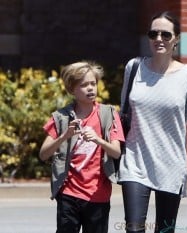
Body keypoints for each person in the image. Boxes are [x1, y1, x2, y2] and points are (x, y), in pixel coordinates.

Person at [118, 11, 187, 233]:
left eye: (166, 35)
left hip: (171, 164)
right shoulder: (134, 67)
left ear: (176, 39)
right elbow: (124, 112)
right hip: (135, 161)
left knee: (165, 230)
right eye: (153, 34)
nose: (159, 39)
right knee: (134, 229)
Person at [39, 61, 125, 233]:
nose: (90, 88)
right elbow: (43, 154)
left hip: (98, 194)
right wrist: (65, 136)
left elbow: (116, 153)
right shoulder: (61, 117)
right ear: (72, 90)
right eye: (84, 85)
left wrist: (98, 140)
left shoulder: (108, 114)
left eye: (93, 83)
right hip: (68, 193)